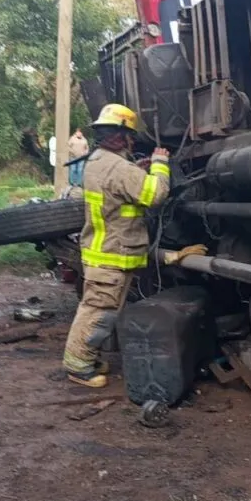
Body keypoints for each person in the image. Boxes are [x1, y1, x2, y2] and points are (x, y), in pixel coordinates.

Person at [63, 103, 171, 388]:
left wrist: (135, 170)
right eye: (130, 136)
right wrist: (160, 164)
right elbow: (155, 193)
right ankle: (78, 366)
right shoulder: (118, 167)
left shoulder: (98, 160)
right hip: (111, 254)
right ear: (121, 137)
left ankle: (87, 357)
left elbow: (117, 185)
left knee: (99, 310)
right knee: (98, 311)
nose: (132, 141)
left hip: (106, 252)